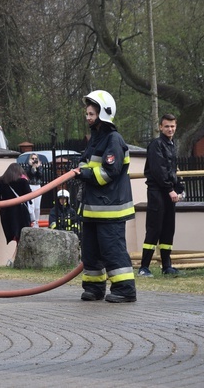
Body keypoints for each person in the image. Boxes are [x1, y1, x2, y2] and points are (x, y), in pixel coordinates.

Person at [71, 90, 136, 303]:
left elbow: (109, 172)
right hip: (92, 208)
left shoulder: (113, 139)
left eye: (91, 114)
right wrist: (82, 169)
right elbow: (85, 162)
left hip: (110, 208)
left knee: (112, 251)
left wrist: (85, 173)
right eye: (87, 113)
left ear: (104, 113)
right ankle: (94, 288)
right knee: (91, 252)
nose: (88, 117)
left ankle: (125, 289)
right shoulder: (96, 138)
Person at [139, 114, 185, 278]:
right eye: (166, 126)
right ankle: (144, 267)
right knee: (154, 228)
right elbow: (159, 171)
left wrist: (178, 187)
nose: (170, 129)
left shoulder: (172, 144)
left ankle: (167, 265)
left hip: (168, 191)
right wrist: (170, 189)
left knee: (168, 228)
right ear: (160, 127)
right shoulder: (156, 145)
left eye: (172, 126)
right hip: (157, 192)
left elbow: (172, 170)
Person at [0, 162, 33, 246]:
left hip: (6, 211)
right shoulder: (22, 181)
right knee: (23, 235)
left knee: (14, 234)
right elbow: (29, 195)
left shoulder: (1, 181)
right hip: (21, 211)